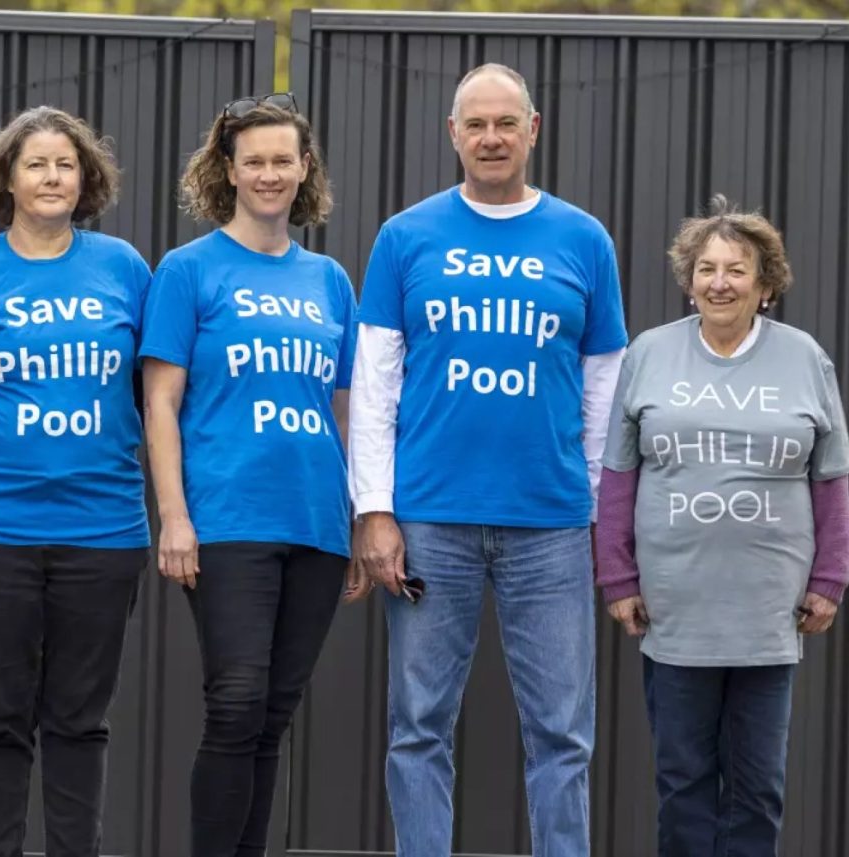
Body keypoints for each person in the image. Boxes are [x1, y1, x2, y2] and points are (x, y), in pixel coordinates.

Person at [350, 63, 628, 855]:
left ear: (533, 130)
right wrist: (374, 509)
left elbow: (604, 389)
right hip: (430, 519)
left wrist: (596, 506)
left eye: (507, 122)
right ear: (453, 135)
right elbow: (374, 385)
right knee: (417, 726)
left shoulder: (583, 239)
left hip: (552, 525)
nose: (492, 137)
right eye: (476, 124)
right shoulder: (406, 236)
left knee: (562, 734)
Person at [0, 106, 150, 857]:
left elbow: (152, 391)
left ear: (86, 179)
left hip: (103, 531)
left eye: (65, 165)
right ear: (6, 179)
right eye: (36, 164)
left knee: (81, 719)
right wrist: (7, 459)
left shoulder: (125, 268)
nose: (52, 177)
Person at [139, 92, 364, 857]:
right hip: (228, 518)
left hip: (316, 524)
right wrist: (174, 516)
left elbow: (345, 412)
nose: (270, 174)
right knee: (234, 704)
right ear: (228, 171)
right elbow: (161, 402)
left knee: (272, 713)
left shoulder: (330, 280)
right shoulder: (188, 270)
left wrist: (364, 517)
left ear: (306, 170)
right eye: (254, 161)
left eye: (283, 160)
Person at [596, 196, 849, 857]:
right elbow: (618, 476)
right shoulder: (651, 353)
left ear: (766, 283)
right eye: (706, 268)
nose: (719, 282)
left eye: (737, 270)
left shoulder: (804, 358)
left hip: (769, 610)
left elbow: (832, 478)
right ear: (687, 279)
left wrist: (830, 575)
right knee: (683, 779)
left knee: (757, 782)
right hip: (676, 607)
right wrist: (617, 576)